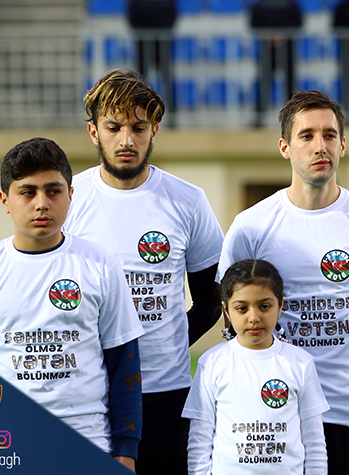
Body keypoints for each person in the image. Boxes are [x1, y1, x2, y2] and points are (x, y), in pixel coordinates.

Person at [218, 90, 349, 475]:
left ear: (343, 144)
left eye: (329, 135)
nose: (320, 146)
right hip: (276, 413)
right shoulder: (251, 227)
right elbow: (231, 317)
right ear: (285, 148)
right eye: (306, 136)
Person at [0, 138, 144, 471]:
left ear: (71, 195)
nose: (42, 204)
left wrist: (126, 451)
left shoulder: (101, 265)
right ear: (5, 200)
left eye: (53, 191)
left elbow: (124, 365)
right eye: (28, 192)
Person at [63, 70, 224, 475]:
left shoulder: (188, 201)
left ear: (154, 131)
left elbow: (212, 300)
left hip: (167, 395)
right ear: (94, 132)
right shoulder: (68, 201)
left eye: (138, 128)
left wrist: (169, 345)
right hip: (90, 393)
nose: (126, 140)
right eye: (113, 127)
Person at [183, 259, 329, 475]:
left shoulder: (300, 362)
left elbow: (314, 441)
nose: (254, 317)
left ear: (280, 305)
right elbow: (200, 440)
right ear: (226, 311)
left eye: (264, 306)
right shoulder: (212, 363)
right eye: (242, 308)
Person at [249, 0, 303, 123]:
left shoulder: (262, 2)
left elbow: (254, 22)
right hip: (276, 48)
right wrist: (276, 36)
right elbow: (298, 22)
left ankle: (285, 117)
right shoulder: (290, 1)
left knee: (277, 82)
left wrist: (272, 35)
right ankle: (287, 118)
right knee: (271, 82)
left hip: (278, 48)